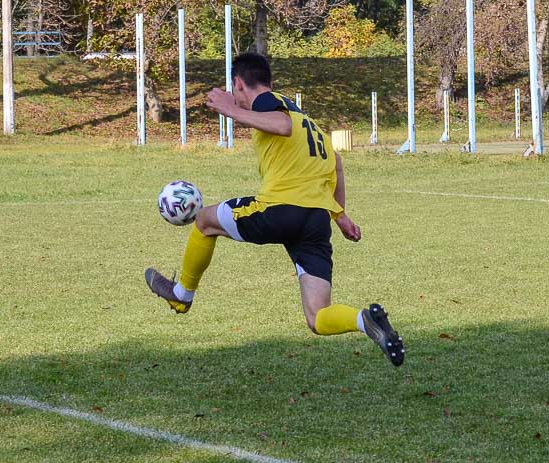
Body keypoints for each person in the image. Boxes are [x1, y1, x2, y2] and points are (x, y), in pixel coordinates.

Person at [145, 52, 404, 367]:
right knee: (317, 315)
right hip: (315, 221)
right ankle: (365, 321)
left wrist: (228, 109)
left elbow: (280, 126)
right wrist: (340, 214)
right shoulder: (307, 121)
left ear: (239, 84)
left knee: (203, 221)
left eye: (233, 89)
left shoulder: (268, 103)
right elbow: (335, 161)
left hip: (279, 211)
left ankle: (182, 295)